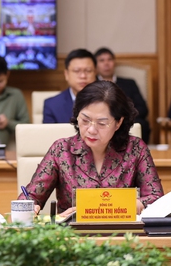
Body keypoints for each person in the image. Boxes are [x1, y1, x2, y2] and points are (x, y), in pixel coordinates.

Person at [19, 81, 163, 215]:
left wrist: (101, 209)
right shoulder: (62, 150)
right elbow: (30, 196)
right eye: (85, 120)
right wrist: (29, 208)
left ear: (118, 122)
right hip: (71, 232)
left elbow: (156, 198)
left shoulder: (135, 149)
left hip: (121, 232)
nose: (91, 130)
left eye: (101, 123)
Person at [95, 47, 150, 143]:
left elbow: (142, 109)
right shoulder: (92, 85)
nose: (106, 63)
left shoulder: (129, 83)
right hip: (100, 121)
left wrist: (123, 117)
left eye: (109, 59)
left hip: (126, 119)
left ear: (114, 63)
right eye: (102, 60)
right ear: (96, 65)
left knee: (142, 124)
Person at [43, 49, 96, 123]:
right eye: (77, 71)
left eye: (88, 70)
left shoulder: (107, 102)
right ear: (66, 74)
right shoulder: (52, 105)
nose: (83, 76)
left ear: (95, 73)